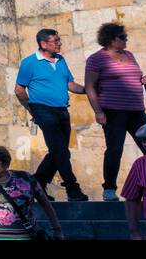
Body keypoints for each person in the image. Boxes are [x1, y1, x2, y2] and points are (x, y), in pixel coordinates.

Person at [14, 28, 89, 200]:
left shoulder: (61, 60)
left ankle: (37, 184)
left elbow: (70, 84)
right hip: (43, 109)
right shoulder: (29, 62)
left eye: (59, 40)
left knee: (60, 151)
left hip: (62, 110)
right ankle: (72, 188)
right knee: (60, 150)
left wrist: (88, 90)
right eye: (56, 41)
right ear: (43, 44)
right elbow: (19, 90)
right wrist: (33, 110)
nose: (59, 43)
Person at [85, 22, 146, 202]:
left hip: (137, 110)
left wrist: (143, 79)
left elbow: (135, 76)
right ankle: (109, 188)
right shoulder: (96, 59)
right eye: (122, 37)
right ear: (111, 39)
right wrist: (98, 112)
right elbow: (90, 86)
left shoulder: (129, 55)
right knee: (115, 149)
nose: (126, 40)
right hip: (113, 111)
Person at [0, 145, 63, 241]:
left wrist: (57, 229)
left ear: (6, 165)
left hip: (27, 236)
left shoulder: (25, 178)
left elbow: (45, 204)